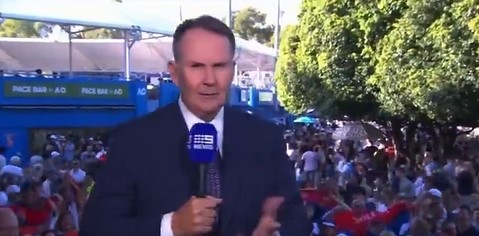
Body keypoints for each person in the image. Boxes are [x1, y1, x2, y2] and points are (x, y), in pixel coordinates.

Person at [80, 15, 310, 236]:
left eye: (219, 66)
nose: (210, 79)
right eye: (197, 66)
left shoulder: (264, 138)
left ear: (232, 70)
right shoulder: (133, 142)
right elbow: (96, 228)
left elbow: (296, 219)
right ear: (175, 73)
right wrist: (170, 227)